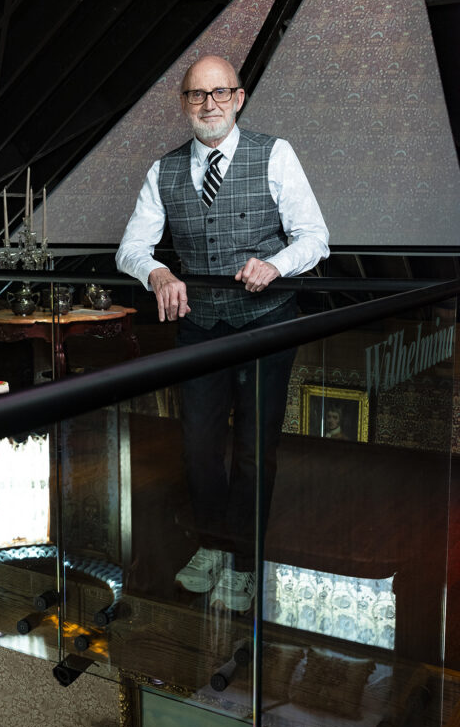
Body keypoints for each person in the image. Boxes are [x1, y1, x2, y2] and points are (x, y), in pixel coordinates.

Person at [116, 55, 329, 610]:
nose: (208, 104)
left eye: (219, 93)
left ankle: (244, 562)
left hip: (266, 323)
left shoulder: (275, 154)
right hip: (200, 327)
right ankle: (212, 545)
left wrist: (277, 264)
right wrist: (157, 271)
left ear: (238, 98)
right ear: (184, 104)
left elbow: (316, 238)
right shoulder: (162, 171)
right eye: (196, 95)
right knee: (198, 447)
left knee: (256, 449)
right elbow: (130, 250)